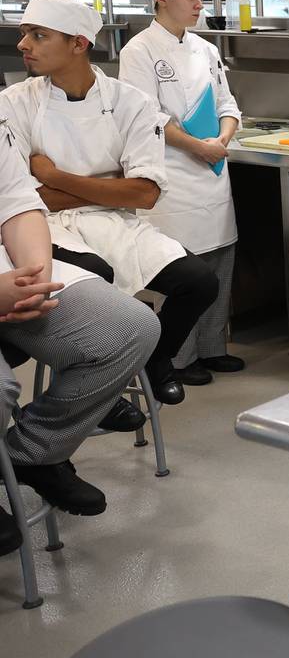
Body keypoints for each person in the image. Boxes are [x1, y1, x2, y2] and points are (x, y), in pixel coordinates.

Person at [0, 0, 218, 406]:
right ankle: (98, 380)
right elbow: (20, 197)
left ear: (78, 44)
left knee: (199, 282)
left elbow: (145, 193)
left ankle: (155, 359)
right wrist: (107, 185)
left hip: (117, 222)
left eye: (38, 35)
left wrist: (54, 176)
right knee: (95, 274)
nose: (23, 44)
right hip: (44, 225)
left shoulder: (130, 103)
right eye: (24, 34)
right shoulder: (15, 103)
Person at [0, 105, 161, 551]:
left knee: (129, 327)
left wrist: (34, 277)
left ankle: (31, 453)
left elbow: (17, 200)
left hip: (10, 261)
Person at [118, 0, 245, 383]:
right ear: (161, 0)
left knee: (219, 264)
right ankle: (178, 358)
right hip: (173, 176)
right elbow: (148, 118)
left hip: (213, 169)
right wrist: (198, 146)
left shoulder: (205, 50)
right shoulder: (138, 51)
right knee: (185, 268)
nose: (198, 4)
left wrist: (221, 139)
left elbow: (228, 104)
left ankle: (211, 350)